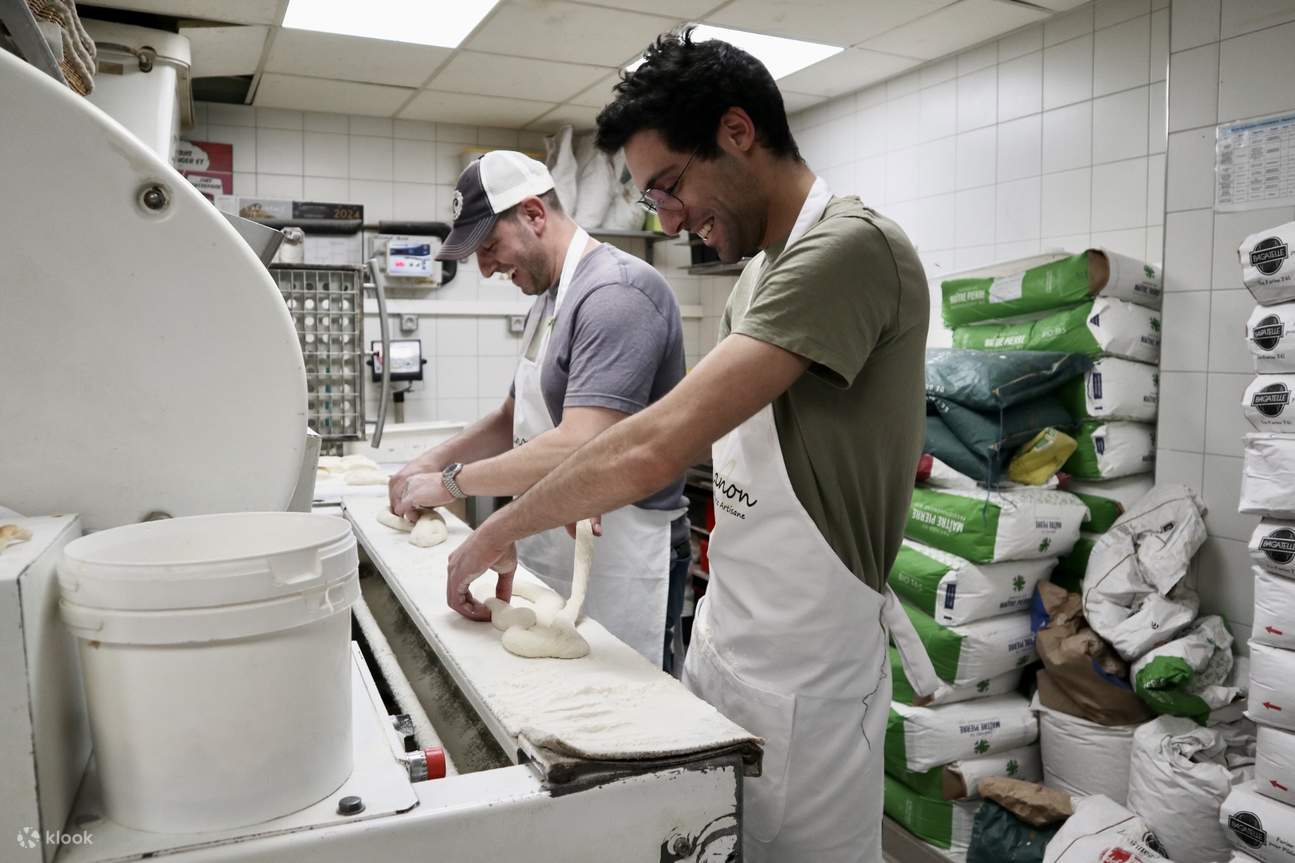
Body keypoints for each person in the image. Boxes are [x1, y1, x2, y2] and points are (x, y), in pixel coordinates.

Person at [443, 32, 941, 863]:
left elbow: (650, 445)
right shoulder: (759, 271)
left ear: (737, 132)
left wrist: (488, 526)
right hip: (728, 646)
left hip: (807, 674)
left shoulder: (851, 249)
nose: (669, 218)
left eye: (669, 187)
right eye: (652, 202)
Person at [388, 150, 690, 669]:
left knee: (624, 710)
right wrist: (429, 462)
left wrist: (453, 484)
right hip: (554, 534)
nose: (485, 268)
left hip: (623, 549)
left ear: (533, 214)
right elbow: (512, 417)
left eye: (488, 246)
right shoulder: (551, 299)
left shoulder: (615, 293)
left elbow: (581, 443)